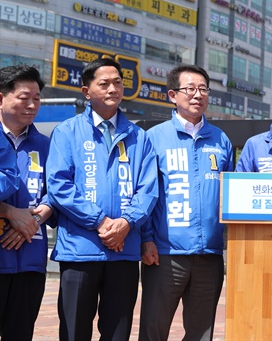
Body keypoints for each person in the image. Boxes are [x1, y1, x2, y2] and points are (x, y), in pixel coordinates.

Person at [46, 58, 158, 341]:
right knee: (73, 331)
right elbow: (59, 185)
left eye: (118, 83)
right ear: (87, 91)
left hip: (124, 250)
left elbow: (148, 190)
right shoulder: (67, 131)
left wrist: (126, 223)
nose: (113, 89)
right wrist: (101, 221)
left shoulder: (139, 137)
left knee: (118, 332)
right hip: (80, 249)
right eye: (104, 83)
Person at [139, 65, 233, 340]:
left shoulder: (221, 139)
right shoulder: (153, 138)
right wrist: (146, 239)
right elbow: (144, 193)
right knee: (153, 331)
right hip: (165, 255)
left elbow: (231, 193)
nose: (197, 95)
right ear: (172, 95)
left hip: (210, 256)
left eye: (203, 89)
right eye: (190, 89)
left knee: (201, 333)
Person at [0, 66, 54, 340]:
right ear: (1, 98)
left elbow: (57, 193)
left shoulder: (47, 146)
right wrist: (10, 212)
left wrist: (32, 221)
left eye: (37, 97)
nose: (32, 104)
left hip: (31, 258)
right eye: (24, 97)